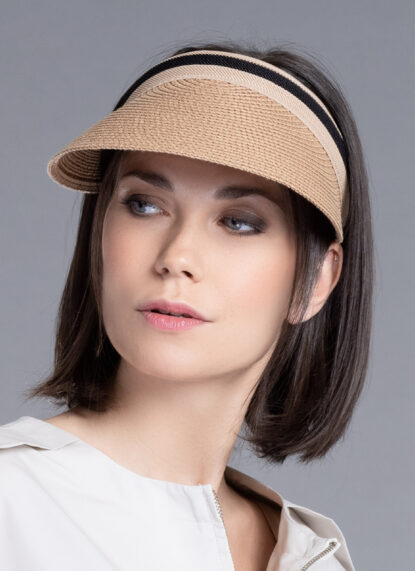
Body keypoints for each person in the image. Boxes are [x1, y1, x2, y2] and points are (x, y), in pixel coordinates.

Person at [0, 40, 373, 570]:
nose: (176, 257)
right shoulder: (14, 503)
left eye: (238, 221)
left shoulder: (311, 557)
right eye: (144, 205)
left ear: (316, 280)